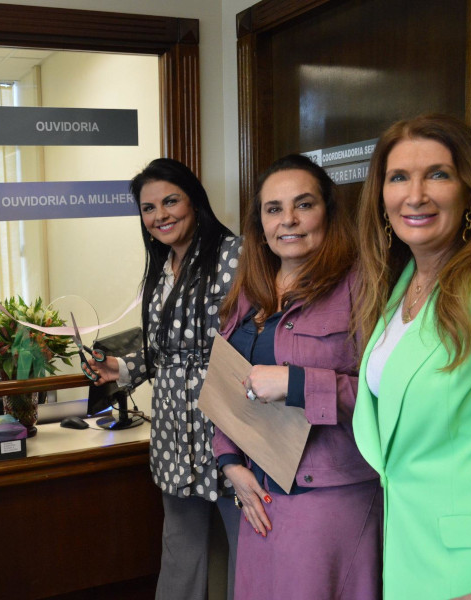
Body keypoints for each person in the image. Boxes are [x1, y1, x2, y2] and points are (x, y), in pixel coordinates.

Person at [352, 113, 471, 599]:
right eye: (399, 177)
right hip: (408, 554)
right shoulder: (400, 286)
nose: (415, 194)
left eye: (438, 175)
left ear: (470, 189)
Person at [212, 154, 382, 599]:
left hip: (329, 498)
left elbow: (383, 397)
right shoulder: (252, 289)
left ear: (328, 211)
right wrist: (229, 462)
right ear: (260, 224)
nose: (288, 220)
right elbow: (228, 384)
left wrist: (297, 383)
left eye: (304, 205)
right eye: (274, 209)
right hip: (261, 494)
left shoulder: (363, 285)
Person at [91, 158, 242, 600]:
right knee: (180, 552)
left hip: (227, 424)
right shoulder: (162, 267)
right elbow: (167, 350)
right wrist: (122, 369)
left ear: (194, 200)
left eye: (170, 201)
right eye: (148, 208)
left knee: (249, 549)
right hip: (174, 430)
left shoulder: (234, 254)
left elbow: (251, 336)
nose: (160, 216)